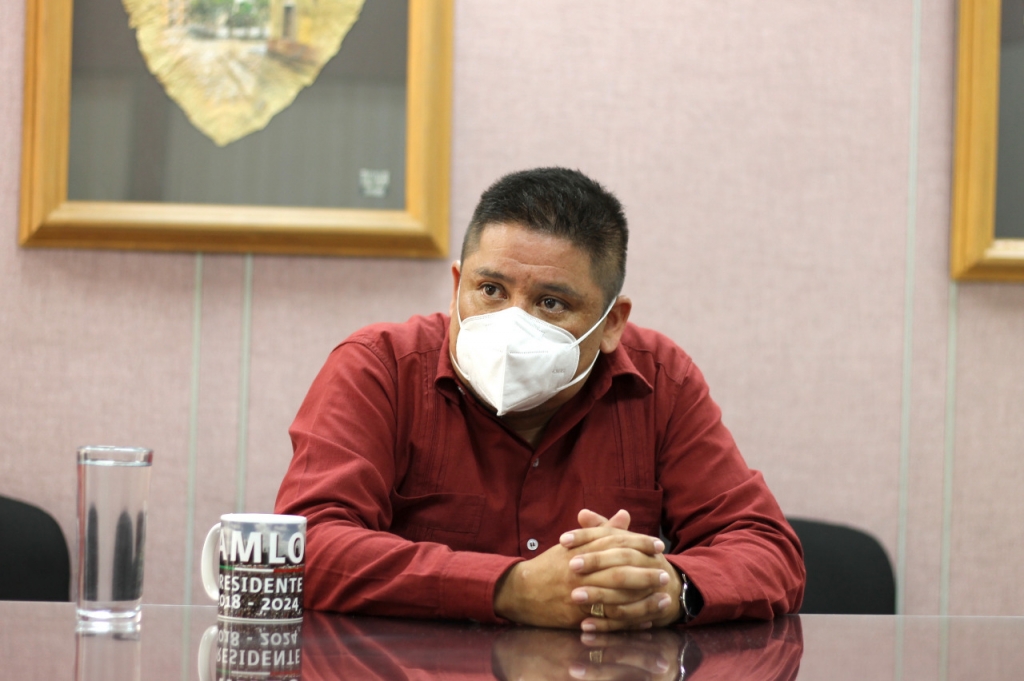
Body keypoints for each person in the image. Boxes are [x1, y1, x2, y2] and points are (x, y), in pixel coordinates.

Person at [275, 167, 805, 630]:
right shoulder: (380, 367)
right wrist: (511, 588)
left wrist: (668, 588)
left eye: (551, 303)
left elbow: (766, 549)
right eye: (490, 290)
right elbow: (304, 547)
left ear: (612, 324)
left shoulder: (660, 379)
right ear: (457, 287)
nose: (512, 324)